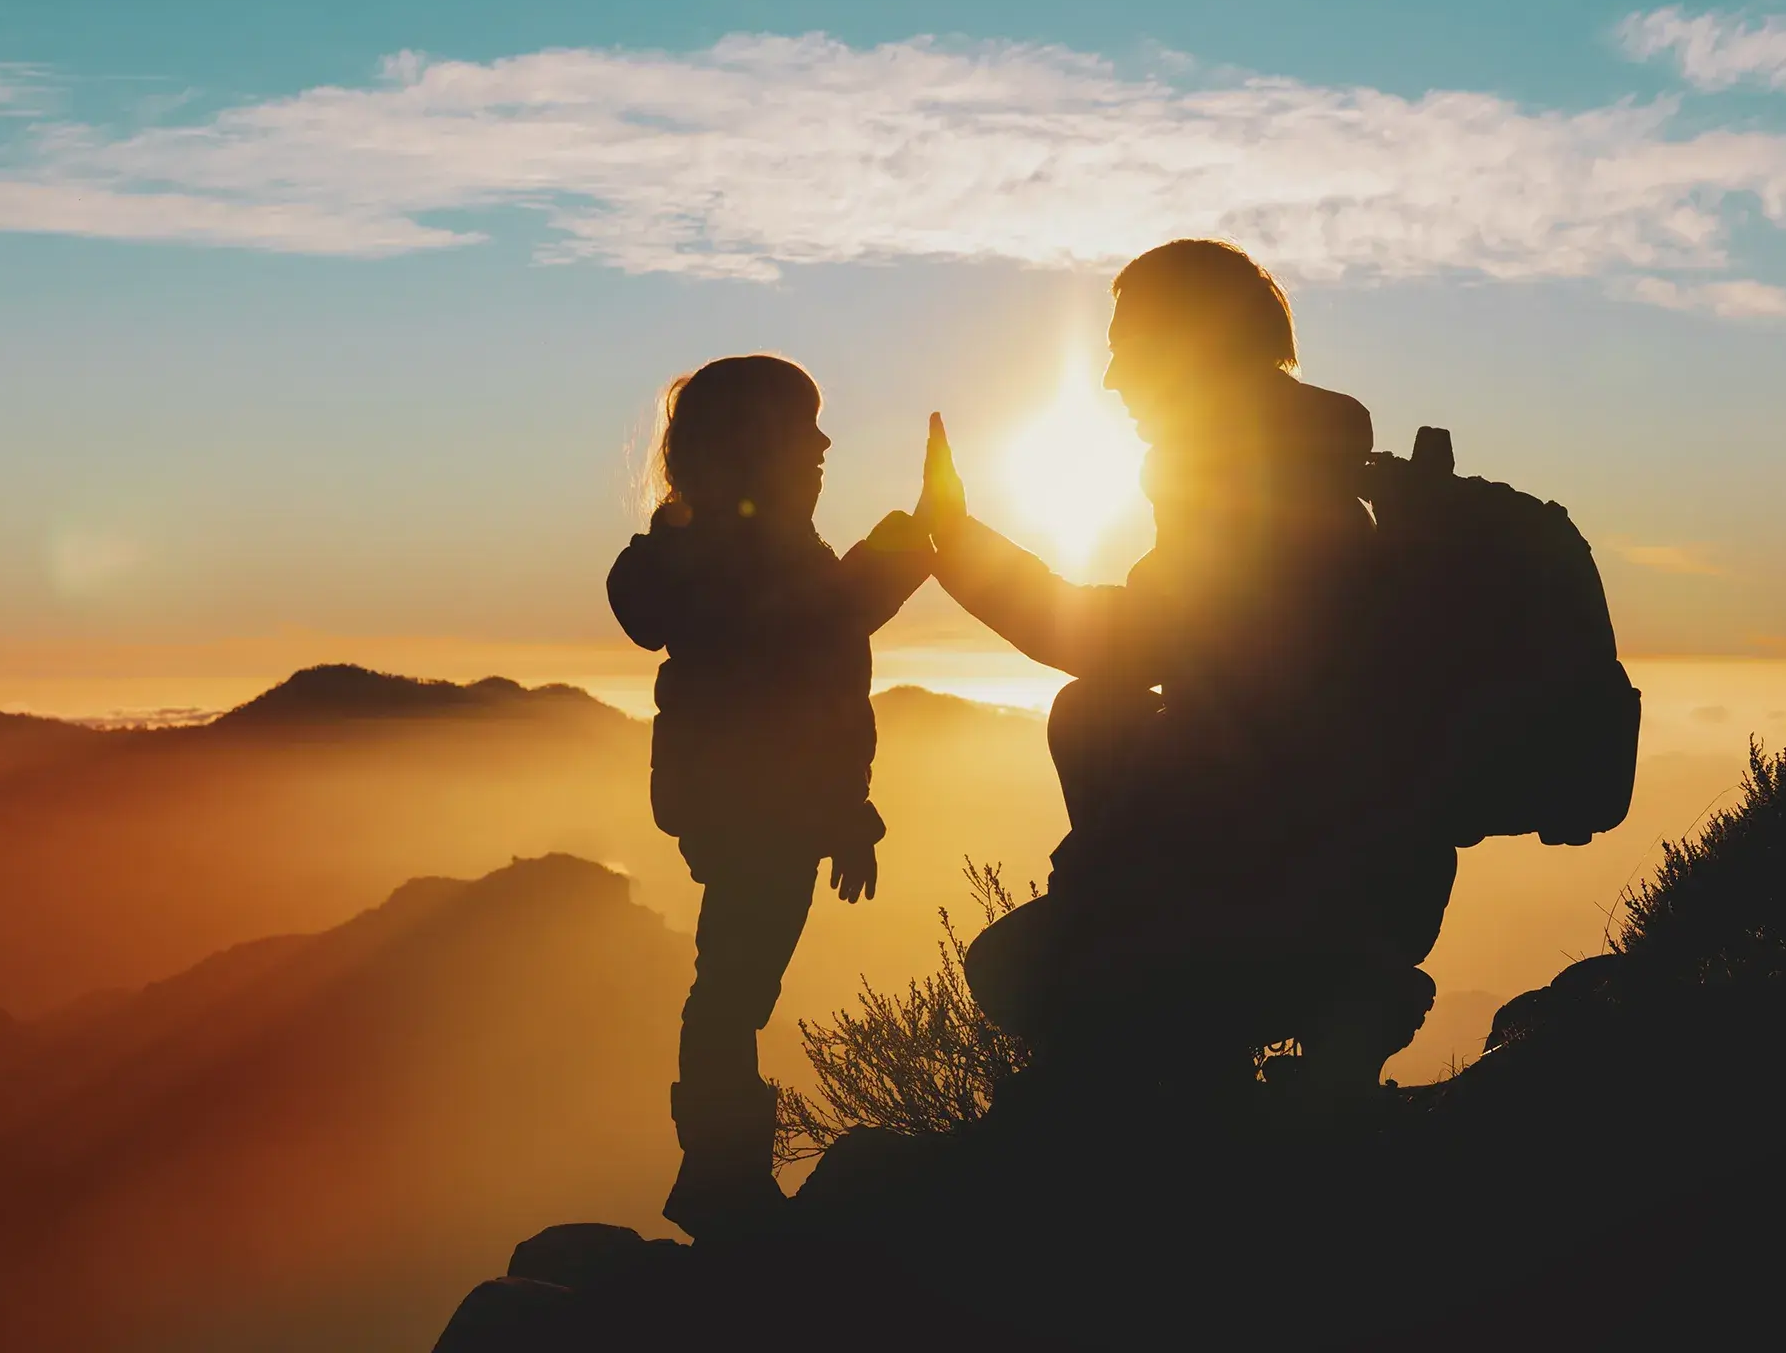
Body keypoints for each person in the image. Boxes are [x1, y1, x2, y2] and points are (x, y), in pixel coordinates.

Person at [917, 240, 1452, 1103]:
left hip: (1307, 879)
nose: (1112, 380)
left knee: (1020, 975)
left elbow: (1124, 640)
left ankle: (1323, 1006)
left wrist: (962, 548)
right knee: (1093, 717)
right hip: (1364, 867)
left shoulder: (1254, 491)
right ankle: (1310, 1006)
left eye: (1130, 347)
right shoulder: (1301, 474)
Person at [608, 354, 932, 1234]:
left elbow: (816, 638)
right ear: (755, 444)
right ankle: (722, 1183)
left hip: (748, 805)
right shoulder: (741, 553)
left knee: (733, 986)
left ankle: (722, 1175)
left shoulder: (738, 548)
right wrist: (916, 535)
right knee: (733, 991)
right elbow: (818, 633)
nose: (825, 443)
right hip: (753, 809)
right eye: (805, 427)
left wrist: (841, 811)